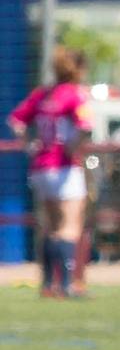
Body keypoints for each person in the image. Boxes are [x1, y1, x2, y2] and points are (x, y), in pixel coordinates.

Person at [10, 48, 92, 299]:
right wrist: (74, 146)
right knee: (69, 225)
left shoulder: (42, 94)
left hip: (41, 166)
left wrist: (29, 144)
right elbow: (86, 126)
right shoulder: (74, 94)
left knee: (49, 225)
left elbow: (16, 120)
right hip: (65, 166)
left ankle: (48, 283)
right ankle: (66, 284)